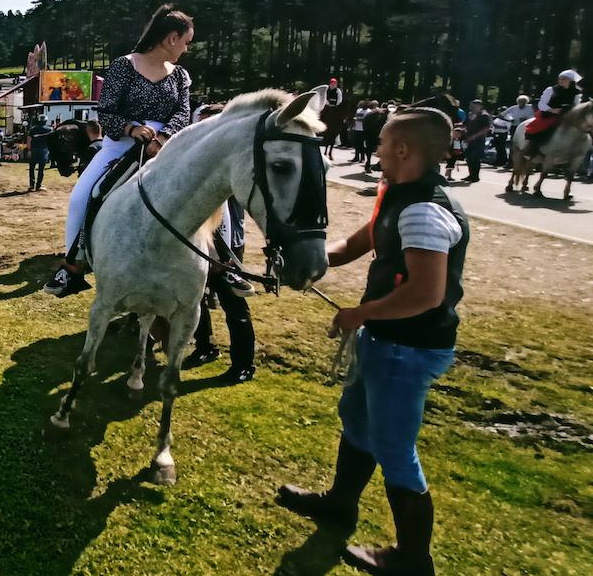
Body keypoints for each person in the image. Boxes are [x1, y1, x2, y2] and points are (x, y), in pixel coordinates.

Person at [277, 107, 468, 576]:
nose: (376, 148)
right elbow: (355, 244)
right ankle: (340, 505)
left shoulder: (425, 210)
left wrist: (358, 314)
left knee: (394, 446)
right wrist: (307, 264)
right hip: (384, 339)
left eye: (382, 142)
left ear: (403, 150)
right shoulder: (395, 196)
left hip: (409, 347)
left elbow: (426, 293)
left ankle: (413, 559)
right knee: (358, 421)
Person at [45, 4, 194, 297]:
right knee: (81, 197)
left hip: (168, 146)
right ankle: (73, 266)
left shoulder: (180, 76)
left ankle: (223, 263)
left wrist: (162, 137)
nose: (186, 50)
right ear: (172, 38)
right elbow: (107, 111)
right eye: (186, 42)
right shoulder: (124, 65)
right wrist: (132, 129)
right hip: (121, 145)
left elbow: (183, 111)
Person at [184, 196, 256, 383]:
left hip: (226, 247)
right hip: (203, 241)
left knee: (233, 304)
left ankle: (243, 366)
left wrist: (224, 257)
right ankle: (205, 347)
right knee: (195, 296)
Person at [523, 69, 584, 157]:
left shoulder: (577, 93)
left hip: (567, 116)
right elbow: (541, 104)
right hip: (549, 114)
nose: (560, 80)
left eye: (564, 79)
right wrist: (552, 110)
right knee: (540, 127)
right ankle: (532, 149)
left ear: (571, 81)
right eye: (560, 78)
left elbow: (577, 106)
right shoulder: (551, 90)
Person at [460, 99, 490, 182]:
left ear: (480, 107)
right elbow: (465, 124)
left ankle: (475, 176)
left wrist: (474, 136)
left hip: (478, 140)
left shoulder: (484, 115)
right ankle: (471, 175)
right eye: (471, 106)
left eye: (475, 106)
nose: (472, 108)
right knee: (469, 158)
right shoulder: (470, 114)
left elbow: (485, 129)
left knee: (475, 158)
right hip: (468, 139)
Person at [27, 114, 53, 191]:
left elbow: (29, 140)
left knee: (32, 168)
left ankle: (32, 185)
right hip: (44, 151)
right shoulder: (49, 129)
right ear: (45, 121)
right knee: (41, 169)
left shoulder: (32, 129)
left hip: (34, 150)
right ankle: (38, 185)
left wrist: (29, 150)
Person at [361, 101, 387, 174]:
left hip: (370, 132)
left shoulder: (371, 113)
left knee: (370, 147)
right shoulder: (374, 114)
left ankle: (369, 163)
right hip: (375, 132)